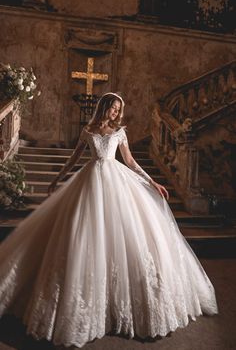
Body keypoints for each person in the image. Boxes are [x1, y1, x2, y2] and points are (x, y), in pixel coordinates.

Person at [0, 92, 218, 348]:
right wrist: (58, 177)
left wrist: (152, 181)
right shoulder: (88, 131)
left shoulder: (120, 132)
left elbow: (130, 161)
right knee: (81, 236)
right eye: (113, 108)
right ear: (104, 107)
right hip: (89, 182)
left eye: (118, 110)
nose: (115, 113)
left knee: (126, 235)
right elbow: (74, 158)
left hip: (116, 183)